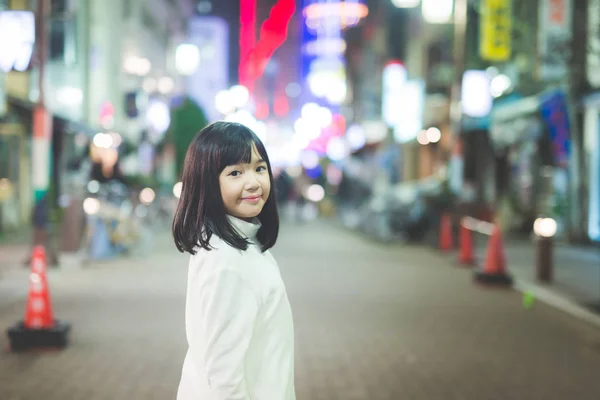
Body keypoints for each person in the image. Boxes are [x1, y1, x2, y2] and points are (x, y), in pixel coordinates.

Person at [172, 121, 296, 400]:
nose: (253, 182)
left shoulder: (240, 243)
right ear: (207, 183)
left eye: (259, 168)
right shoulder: (227, 261)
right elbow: (224, 375)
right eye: (235, 172)